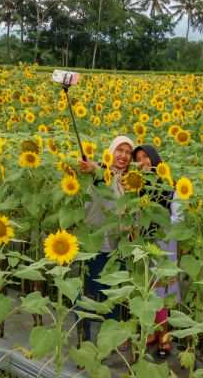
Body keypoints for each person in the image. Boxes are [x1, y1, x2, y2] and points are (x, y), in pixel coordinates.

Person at [78, 135, 134, 341]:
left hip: (118, 246)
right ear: (110, 151)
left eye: (128, 152)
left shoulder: (128, 181)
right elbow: (96, 171)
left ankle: (111, 340)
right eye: (120, 150)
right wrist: (91, 167)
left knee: (113, 295)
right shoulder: (102, 173)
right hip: (96, 242)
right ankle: (83, 338)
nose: (124, 156)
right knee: (88, 293)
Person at [133, 144, 181, 358]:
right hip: (145, 243)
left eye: (146, 157)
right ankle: (152, 333)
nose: (142, 161)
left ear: (154, 158)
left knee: (163, 291)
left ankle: (165, 338)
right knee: (149, 290)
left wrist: (158, 222)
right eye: (138, 158)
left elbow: (178, 218)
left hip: (164, 242)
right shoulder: (137, 185)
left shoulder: (171, 185)